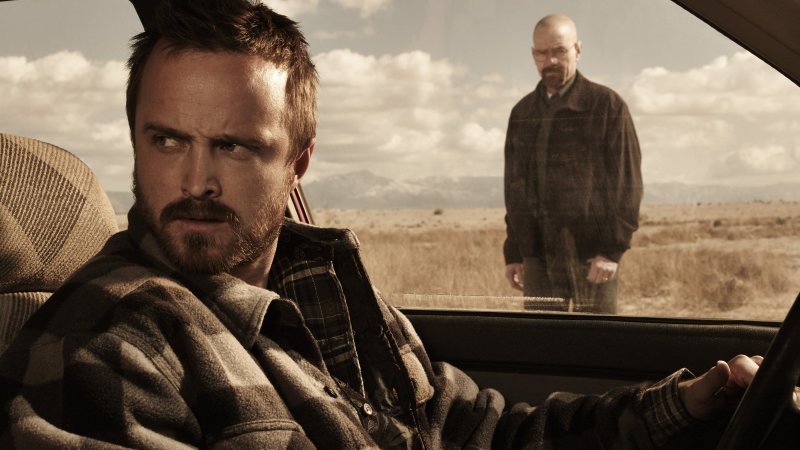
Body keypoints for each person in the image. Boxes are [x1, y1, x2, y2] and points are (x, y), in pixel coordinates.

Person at [0, 1, 762, 448]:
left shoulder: (331, 289)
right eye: (167, 141)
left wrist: (677, 409)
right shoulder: (106, 348)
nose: (195, 181)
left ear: (299, 162)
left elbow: (479, 433)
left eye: (235, 146)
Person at [503, 14, 643, 314]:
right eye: (542, 53)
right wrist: (514, 251)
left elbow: (627, 186)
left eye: (559, 50)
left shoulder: (607, 106)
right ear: (533, 55)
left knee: (595, 340)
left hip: (592, 260)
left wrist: (611, 251)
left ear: (578, 50)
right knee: (543, 340)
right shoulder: (522, 113)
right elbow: (514, 190)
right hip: (538, 260)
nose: (550, 60)